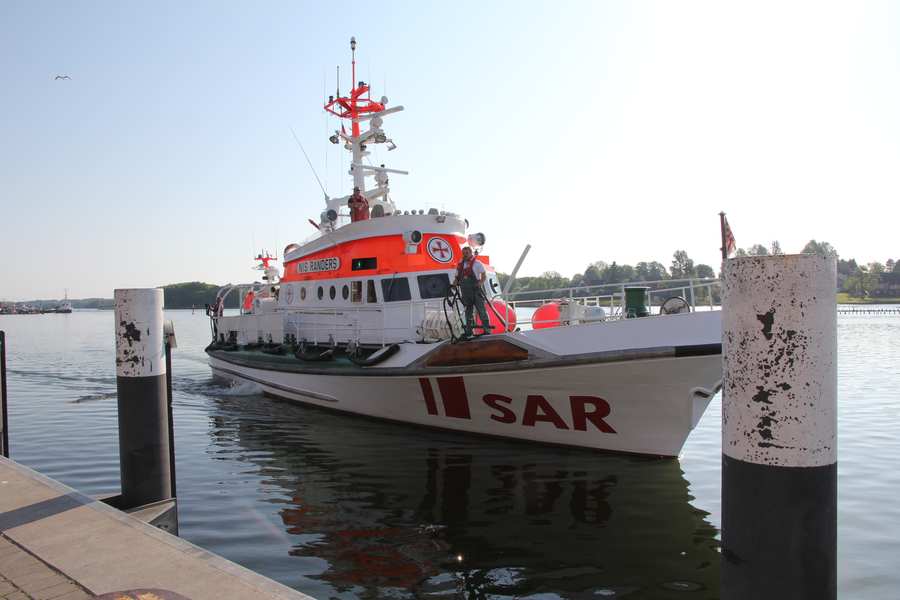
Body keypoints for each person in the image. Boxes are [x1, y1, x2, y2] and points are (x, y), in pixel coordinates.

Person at [454, 246, 491, 337]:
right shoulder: (460, 265)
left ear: (471, 253)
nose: (465, 255)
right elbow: (457, 278)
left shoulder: (477, 263)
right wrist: (454, 285)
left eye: (467, 253)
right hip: (466, 293)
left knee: (481, 311)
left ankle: (487, 330)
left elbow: (484, 275)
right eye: (463, 253)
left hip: (476, 291)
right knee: (468, 312)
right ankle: (469, 331)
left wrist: (480, 283)